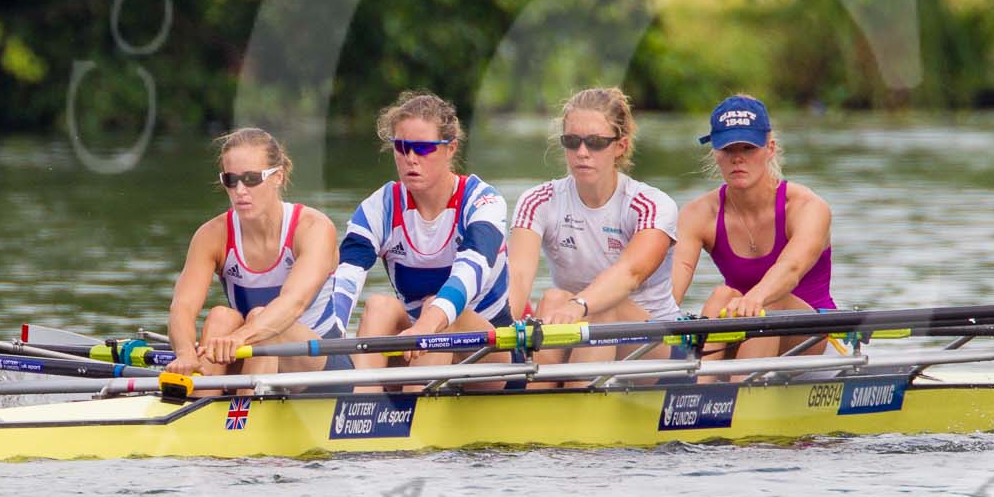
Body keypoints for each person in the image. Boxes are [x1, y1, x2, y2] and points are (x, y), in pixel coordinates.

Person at [324, 90, 511, 372]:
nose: (411, 158)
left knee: (439, 309)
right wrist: (332, 337)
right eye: (401, 147)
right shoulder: (380, 207)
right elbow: (346, 278)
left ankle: (416, 401)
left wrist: (425, 327)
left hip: (490, 353)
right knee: (378, 306)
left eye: (423, 148)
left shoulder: (483, 202)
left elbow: (470, 270)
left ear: (450, 148)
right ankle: (357, 404)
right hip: (417, 344)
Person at [506, 87, 680, 364]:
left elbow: (630, 274)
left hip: (658, 345)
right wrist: (503, 334)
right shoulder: (537, 201)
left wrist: (579, 305)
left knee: (601, 310)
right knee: (551, 299)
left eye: (596, 142)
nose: (582, 152)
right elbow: (518, 277)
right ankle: (539, 393)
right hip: (580, 328)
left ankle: (574, 394)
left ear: (620, 146)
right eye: (572, 141)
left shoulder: (651, 204)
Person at [670, 94, 836, 361]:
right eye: (727, 149)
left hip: (817, 343)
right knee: (722, 295)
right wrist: (655, 323)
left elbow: (790, 269)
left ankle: (738, 395)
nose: (738, 158)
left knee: (772, 303)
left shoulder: (806, 207)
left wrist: (757, 297)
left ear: (769, 148)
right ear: (715, 152)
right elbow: (673, 284)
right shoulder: (696, 214)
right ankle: (698, 391)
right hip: (747, 330)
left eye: (748, 148)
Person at [166, 128, 338, 377]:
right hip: (251, 350)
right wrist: (184, 353)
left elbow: (294, 304)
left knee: (260, 319)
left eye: (251, 179)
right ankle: (198, 392)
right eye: (231, 180)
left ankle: (241, 406)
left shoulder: (313, 227)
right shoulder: (212, 235)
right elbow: (182, 308)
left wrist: (240, 337)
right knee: (220, 317)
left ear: (278, 176)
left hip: (321, 363)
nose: (240, 190)